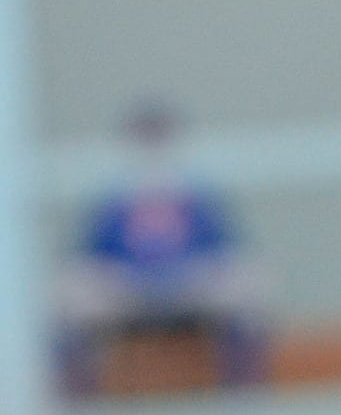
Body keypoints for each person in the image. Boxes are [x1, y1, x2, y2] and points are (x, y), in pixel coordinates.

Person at [55, 99, 270, 397]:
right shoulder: (113, 198)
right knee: (72, 294)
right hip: (128, 292)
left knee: (247, 285)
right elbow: (89, 257)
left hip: (190, 289)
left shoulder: (198, 194)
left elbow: (226, 251)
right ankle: (79, 407)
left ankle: (244, 398)